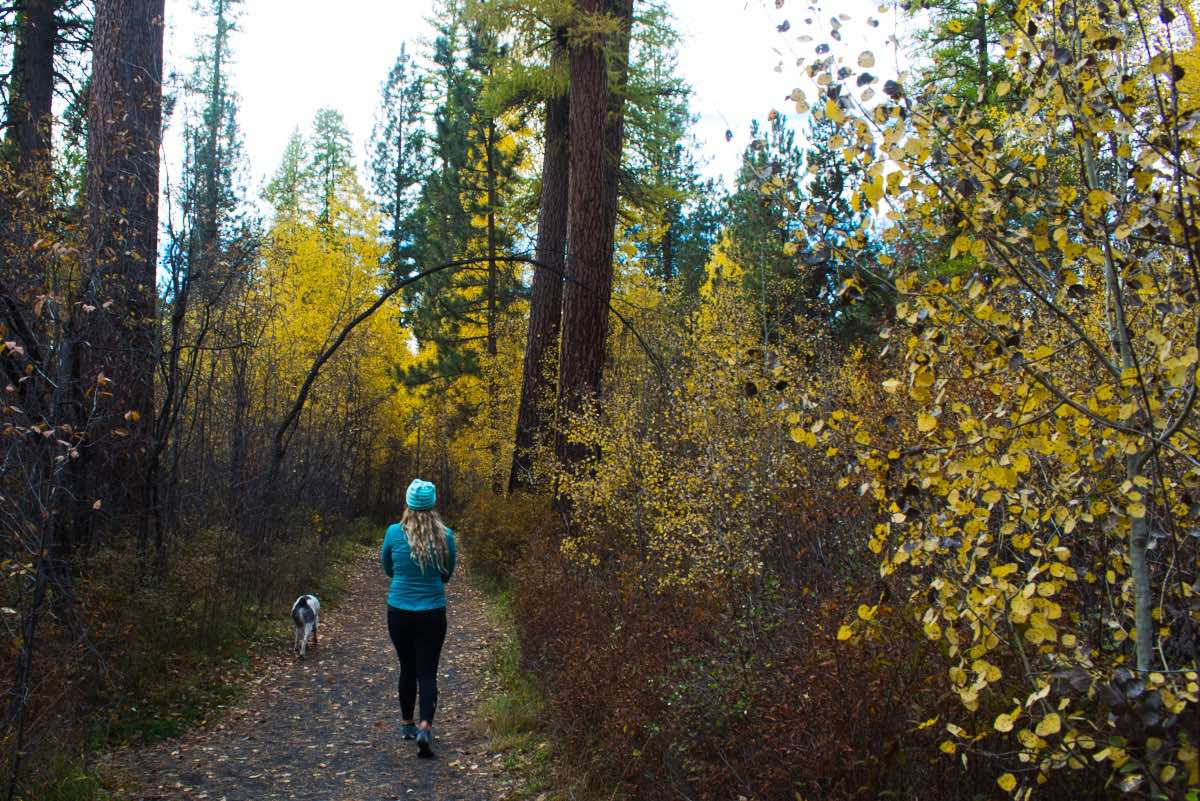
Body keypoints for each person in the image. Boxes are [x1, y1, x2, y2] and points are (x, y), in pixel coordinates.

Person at [381, 478, 457, 758]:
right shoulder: (445, 535)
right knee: (427, 672)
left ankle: (407, 725)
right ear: (432, 505)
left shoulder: (392, 532)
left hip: (399, 612)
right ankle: (425, 727)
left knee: (407, 667)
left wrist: (405, 575)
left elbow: (388, 568)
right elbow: (447, 574)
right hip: (432, 614)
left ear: (408, 504)